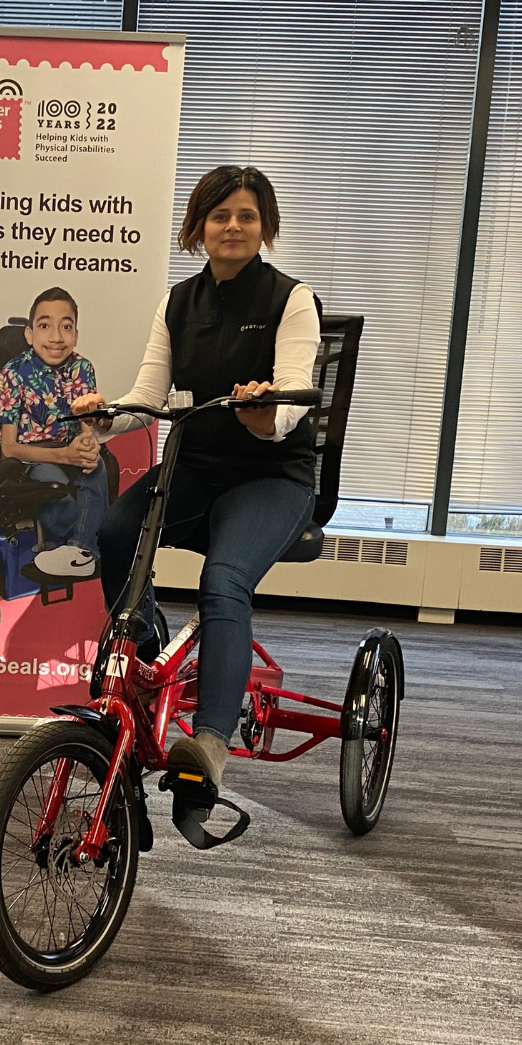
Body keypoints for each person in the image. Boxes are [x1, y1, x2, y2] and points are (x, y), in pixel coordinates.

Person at [73, 165, 321, 794]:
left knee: (223, 580)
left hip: (272, 476)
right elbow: (148, 396)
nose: (233, 226)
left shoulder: (291, 299)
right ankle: (152, 658)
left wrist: (266, 408)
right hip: (196, 468)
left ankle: (209, 741)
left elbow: (293, 405)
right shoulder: (177, 301)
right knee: (114, 531)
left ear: (265, 226)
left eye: (246, 215)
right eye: (220, 215)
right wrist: (107, 416)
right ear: (199, 227)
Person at [0, 287, 109, 578]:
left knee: (99, 466)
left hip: (69, 447)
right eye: (45, 326)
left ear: (76, 334)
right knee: (53, 485)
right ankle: (86, 543)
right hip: (32, 456)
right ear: (29, 334)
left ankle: (82, 550)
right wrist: (65, 456)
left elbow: (85, 422)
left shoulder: (82, 368)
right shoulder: (13, 373)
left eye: (66, 327)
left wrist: (88, 446)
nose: (56, 337)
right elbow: (9, 448)